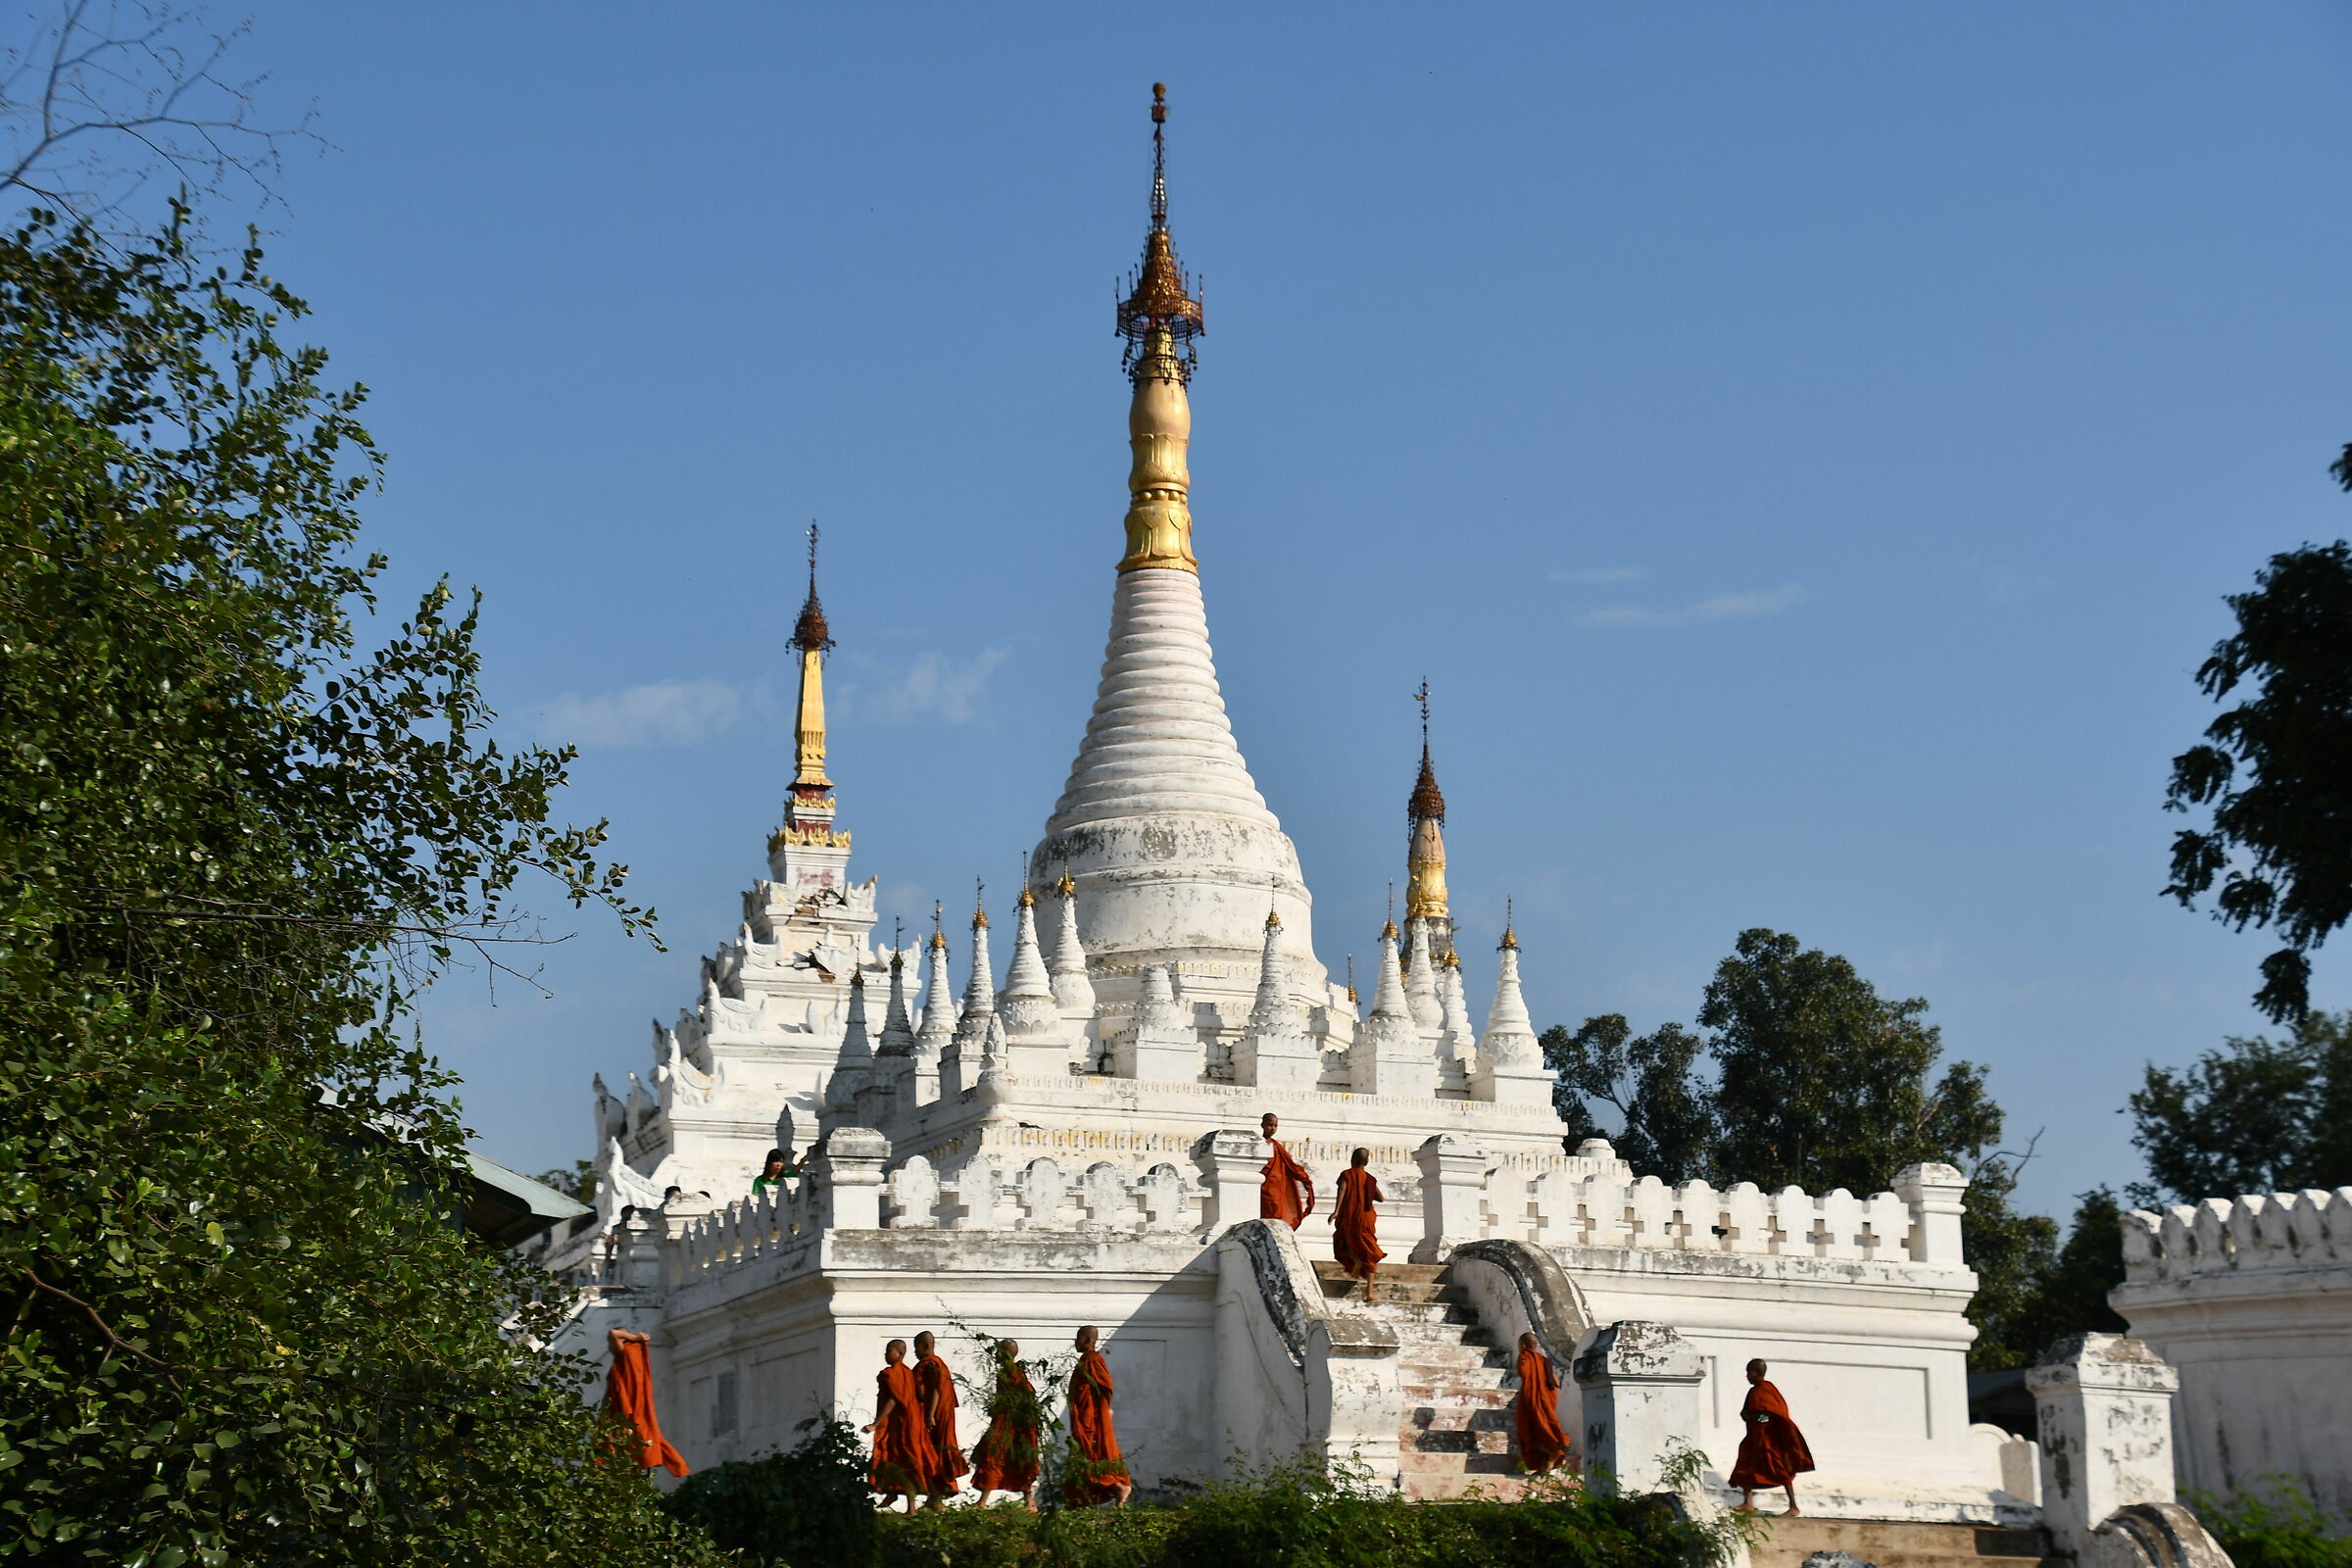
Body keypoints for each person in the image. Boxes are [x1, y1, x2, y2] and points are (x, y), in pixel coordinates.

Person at [1730, 1358, 1814, 1515]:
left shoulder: (1766, 1390)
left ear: (1756, 1373)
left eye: (1749, 1373)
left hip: (1767, 1438)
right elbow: (1747, 1410)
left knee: (1780, 1469)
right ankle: (1748, 1502)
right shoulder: (1754, 1391)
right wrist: (1746, 1415)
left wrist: (1754, 1417)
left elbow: (1772, 1414)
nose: (1747, 1376)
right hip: (1753, 1437)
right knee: (1745, 1465)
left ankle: (1793, 1506)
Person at [863, 1339, 939, 1512]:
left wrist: (876, 1424)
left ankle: (913, 1507)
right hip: (911, 1422)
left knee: (907, 1462)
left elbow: (892, 1400)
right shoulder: (908, 1373)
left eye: (889, 1351)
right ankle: (895, 1494)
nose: (885, 1354)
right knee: (899, 1459)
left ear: (900, 1353)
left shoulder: (893, 1373)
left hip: (905, 1423)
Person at [602, 1327, 688, 1477]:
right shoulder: (631, 1354)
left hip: (626, 1407)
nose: (609, 1346)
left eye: (610, 1344)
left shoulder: (626, 1351)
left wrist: (634, 1337)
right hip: (635, 1404)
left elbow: (613, 1333)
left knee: (622, 1438)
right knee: (646, 1436)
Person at [969, 1338, 1043, 1510]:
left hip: (1012, 1425)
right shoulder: (1011, 1372)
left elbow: (1019, 1398)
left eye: (998, 1351)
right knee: (1001, 1458)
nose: (995, 1355)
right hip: (1010, 1422)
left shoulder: (1011, 1373)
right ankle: (1027, 1502)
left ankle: (984, 1502)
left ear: (1005, 1353)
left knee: (993, 1457)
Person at [1063, 1325, 1133, 1507]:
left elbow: (1105, 1387)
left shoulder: (1093, 1360)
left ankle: (1118, 1487)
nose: (1075, 1342)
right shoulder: (1086, 1360)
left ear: (1088, 1340)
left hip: (1090, 1420)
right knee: (1082, 1456)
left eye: (1078, 1338)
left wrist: (1102, 1412)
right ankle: (1080, 1501)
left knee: (1090, 1455)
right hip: (1083, 1418)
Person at [912, 1330, 968, 1505]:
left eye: (917, 1348)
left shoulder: (931, 1364)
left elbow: (935, 1390)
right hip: (942, 1413)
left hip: (935, 1415)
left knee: (929, 1453)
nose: (915, 1352)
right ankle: (934, 1496)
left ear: (926, 1346)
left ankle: (936, 1495)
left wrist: (929, 1415)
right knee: (935, 1452)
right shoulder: (939, 1364)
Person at [1328, 1148, 1386, 1303]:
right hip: (1365, 1219)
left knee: (1345, 1243)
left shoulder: (1347, 1175)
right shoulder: (1369, 1179)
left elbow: (1343, 1190)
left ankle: (1356, 1261)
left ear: (1352, 1159)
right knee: (1370, 1252)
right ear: (1366, 1162)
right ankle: (1369, 1292)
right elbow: (1381, 1198)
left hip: (1350, 1216)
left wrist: (1336, 1211)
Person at [1512, 1332, 1572, 1475]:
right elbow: (1556, 1382)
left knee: (1529, 1432)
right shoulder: (1544, 1360)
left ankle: (1554, 1451)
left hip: (1531, 1399)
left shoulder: (1525, 1356)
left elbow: (1524, 1373)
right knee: (1542, 1429)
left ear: (1523, 1345)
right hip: (1547, 1400)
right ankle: (1546, 1466)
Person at [1257, 1112, 1314, 1228]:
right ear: (1262, 1125)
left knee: (1277, 1216)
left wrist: (1305, 1180)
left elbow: (1291, 1166)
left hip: (1277, 1188)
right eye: (1270, 1125)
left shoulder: (1277, 1146)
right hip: (1264, 1186)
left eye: (1275, 1125)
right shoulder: (1258, 1144)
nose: (1273, 1128)